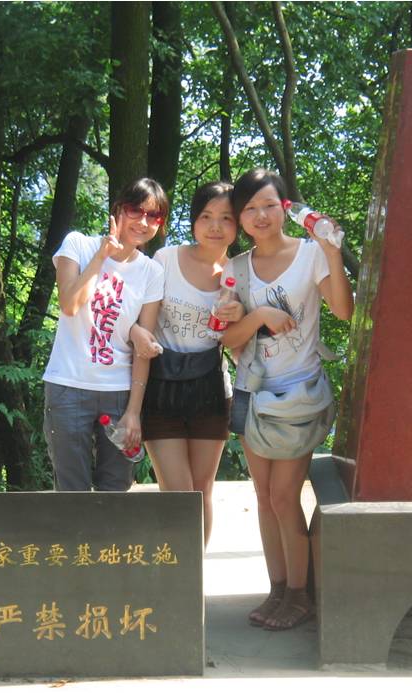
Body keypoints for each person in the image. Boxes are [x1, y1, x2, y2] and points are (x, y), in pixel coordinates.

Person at [220, 168, 353, 630]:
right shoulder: (236, 269)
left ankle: (300, 594)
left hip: (299, 394)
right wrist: (259, 313)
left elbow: (343, 310)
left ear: (284, 208)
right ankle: (278, 589)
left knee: (283, 496)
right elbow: (227, 338)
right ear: (240, 217)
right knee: (263, 497)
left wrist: (332, 252)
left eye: (269, 205)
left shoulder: (311, 255)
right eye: (250, 208)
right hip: (252, 392)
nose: (260, 215)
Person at [130, 181, 244, 545]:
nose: (215, 226)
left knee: (201, 491)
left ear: (238, 224)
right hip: (161, 386)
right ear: (194, 220)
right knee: (178, 494)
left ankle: (195, 574)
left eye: (226, 218)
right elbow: (138, 320)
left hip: (211, 388)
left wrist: (240, 318)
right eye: (206, 216)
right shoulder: (166, 259)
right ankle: (175, 571)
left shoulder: (240, 274)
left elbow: (240, 351)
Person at [42, 178, 167, 492]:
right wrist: (102, 256)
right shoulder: (78, 245)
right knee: (72, 491)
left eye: (154, 216)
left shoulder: (151, 272)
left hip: (119, 393)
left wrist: (134, 412)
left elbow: (144, 348)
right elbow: (70, 305)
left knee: (116, 490)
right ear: (118, 209)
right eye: (136, 210)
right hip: (68, 386)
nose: (143, 222)